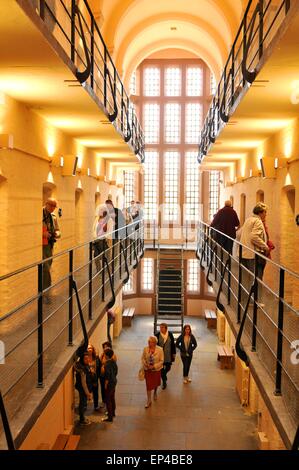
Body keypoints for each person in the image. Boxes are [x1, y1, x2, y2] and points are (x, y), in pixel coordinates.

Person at [239, 203, 270, 280]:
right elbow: (254, 237)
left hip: (244, 252)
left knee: (247, 279)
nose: (266, 215)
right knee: (257, 279)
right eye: (265, 212)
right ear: (260, 212)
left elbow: (239, 234)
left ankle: (247, 292)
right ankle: (257, 292)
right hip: (253, 254)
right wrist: (265, 247)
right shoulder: (257, 221)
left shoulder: (248, 220)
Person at [42, 198, 61, 301]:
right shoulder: (39, 214)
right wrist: (43, 234)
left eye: (54, 206)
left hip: (49, 246)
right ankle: (46, 294)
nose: (53, 208)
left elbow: (58, 231)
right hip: (42, 246)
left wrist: (56, 234)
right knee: (45, 269)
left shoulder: (53, 217)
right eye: (51, 205)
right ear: (46, 204)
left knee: (47, 267)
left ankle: (46, 292)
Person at [141, 336, 164, 408]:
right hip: (147, 370)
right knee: (148, 385)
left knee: (156, 383)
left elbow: (162, 361)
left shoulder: (160, 350)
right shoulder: (145, 349)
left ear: (154, 343)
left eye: (150, 342)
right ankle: (149, 400)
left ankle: (155, 392)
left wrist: (154, 366)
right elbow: (143, 358)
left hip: (156, 370)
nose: (148, 343)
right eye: (148, 341)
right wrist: (146, 364)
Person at [74, 351, 93, 425]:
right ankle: (82, 419)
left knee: (83, 403)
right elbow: (83, 383)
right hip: (82, 389)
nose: (87, 360)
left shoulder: (85, 366)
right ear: (82, 359)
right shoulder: (82, 369)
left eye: (88, 358)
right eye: (85, 359)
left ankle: (82, 418)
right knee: (82, 403)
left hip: (85, 388)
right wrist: (87, 393)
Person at [155, 323, 176, 389]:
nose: (161, 329)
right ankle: (164, 381)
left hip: (168, 355)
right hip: (160, 355)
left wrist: (174, 353)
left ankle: (164, 376)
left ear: (166, 328)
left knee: (168, 368)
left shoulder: (170, 334)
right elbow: (155, 345)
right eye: (160, 327)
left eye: (162, 327)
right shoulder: (157, 335)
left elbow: (173, 344)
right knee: (161, 368)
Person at [101, 348, 118, 423]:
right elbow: (116, 371)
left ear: (106, 356)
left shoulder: (106, 364)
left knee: (108, 399)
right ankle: (113, 413)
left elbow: (107, 374)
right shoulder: (113, 362)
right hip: (114, 381)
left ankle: (109, 417)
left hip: (109, 383)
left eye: (104, 354)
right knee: (112, 398)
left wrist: (106, 383)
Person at [99, 341, 117, 409]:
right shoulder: (103, 355)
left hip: (108, 378)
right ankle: (104, 402)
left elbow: (112, 370)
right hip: (103, 376)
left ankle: (110, 411)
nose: (105, 349)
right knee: (103, 390)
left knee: (110, 396)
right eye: (104, 347)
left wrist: (107, 382)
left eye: (106, 347)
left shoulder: (112, 357)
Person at [87, 344, 101, 411]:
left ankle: (96, 405)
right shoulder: (85, 357)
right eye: (88, 348)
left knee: (95, 392)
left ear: (93, 350)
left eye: (91, 348)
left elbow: (99, 368)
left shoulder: (96, 358)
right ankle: (85, 405)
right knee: (88, 391)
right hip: (87, 378)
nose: (89, 350)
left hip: (94, 377)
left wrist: (97, 376)